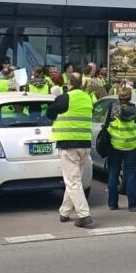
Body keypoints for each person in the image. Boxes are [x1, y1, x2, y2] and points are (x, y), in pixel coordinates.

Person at [47, 73, 95, 228]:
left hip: (69, 145)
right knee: (74, 180)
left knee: (72, 181)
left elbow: (50, 113)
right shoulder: (87, 98)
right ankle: (65, 212)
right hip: (85, 144)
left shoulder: (66, 97)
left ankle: (84, 214)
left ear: (69, 83)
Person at [105, 87, 136, 211]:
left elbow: (106, 125)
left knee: (113, 173)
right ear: (130, 97)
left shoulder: (113, 110)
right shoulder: (135, 111)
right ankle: (132, 205)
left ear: (118, 97)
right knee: (130, 174)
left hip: (115, 145)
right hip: (130, 146)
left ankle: (112, 204)